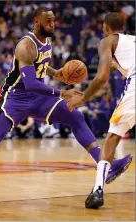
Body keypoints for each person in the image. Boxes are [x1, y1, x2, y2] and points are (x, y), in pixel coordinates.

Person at [0, 8, 132, 199]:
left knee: (75, 116)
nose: (52, 24)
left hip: (39, 98)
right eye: (48, 21)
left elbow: (39, 65)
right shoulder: (25, 45)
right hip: (16, 98)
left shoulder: (46, 42)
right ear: (36, 21)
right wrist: (62, 92)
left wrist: (55, 72)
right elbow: (31, 83)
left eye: (53, 21)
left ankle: (107, 165)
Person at [67, 12, 135, 208]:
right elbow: (125, 63)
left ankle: (98, 191)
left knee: (112, 138)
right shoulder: (131, 40)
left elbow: (102, 78)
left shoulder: (106, 41)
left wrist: (84, 97)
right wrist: (117, 66)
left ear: (105, 27)